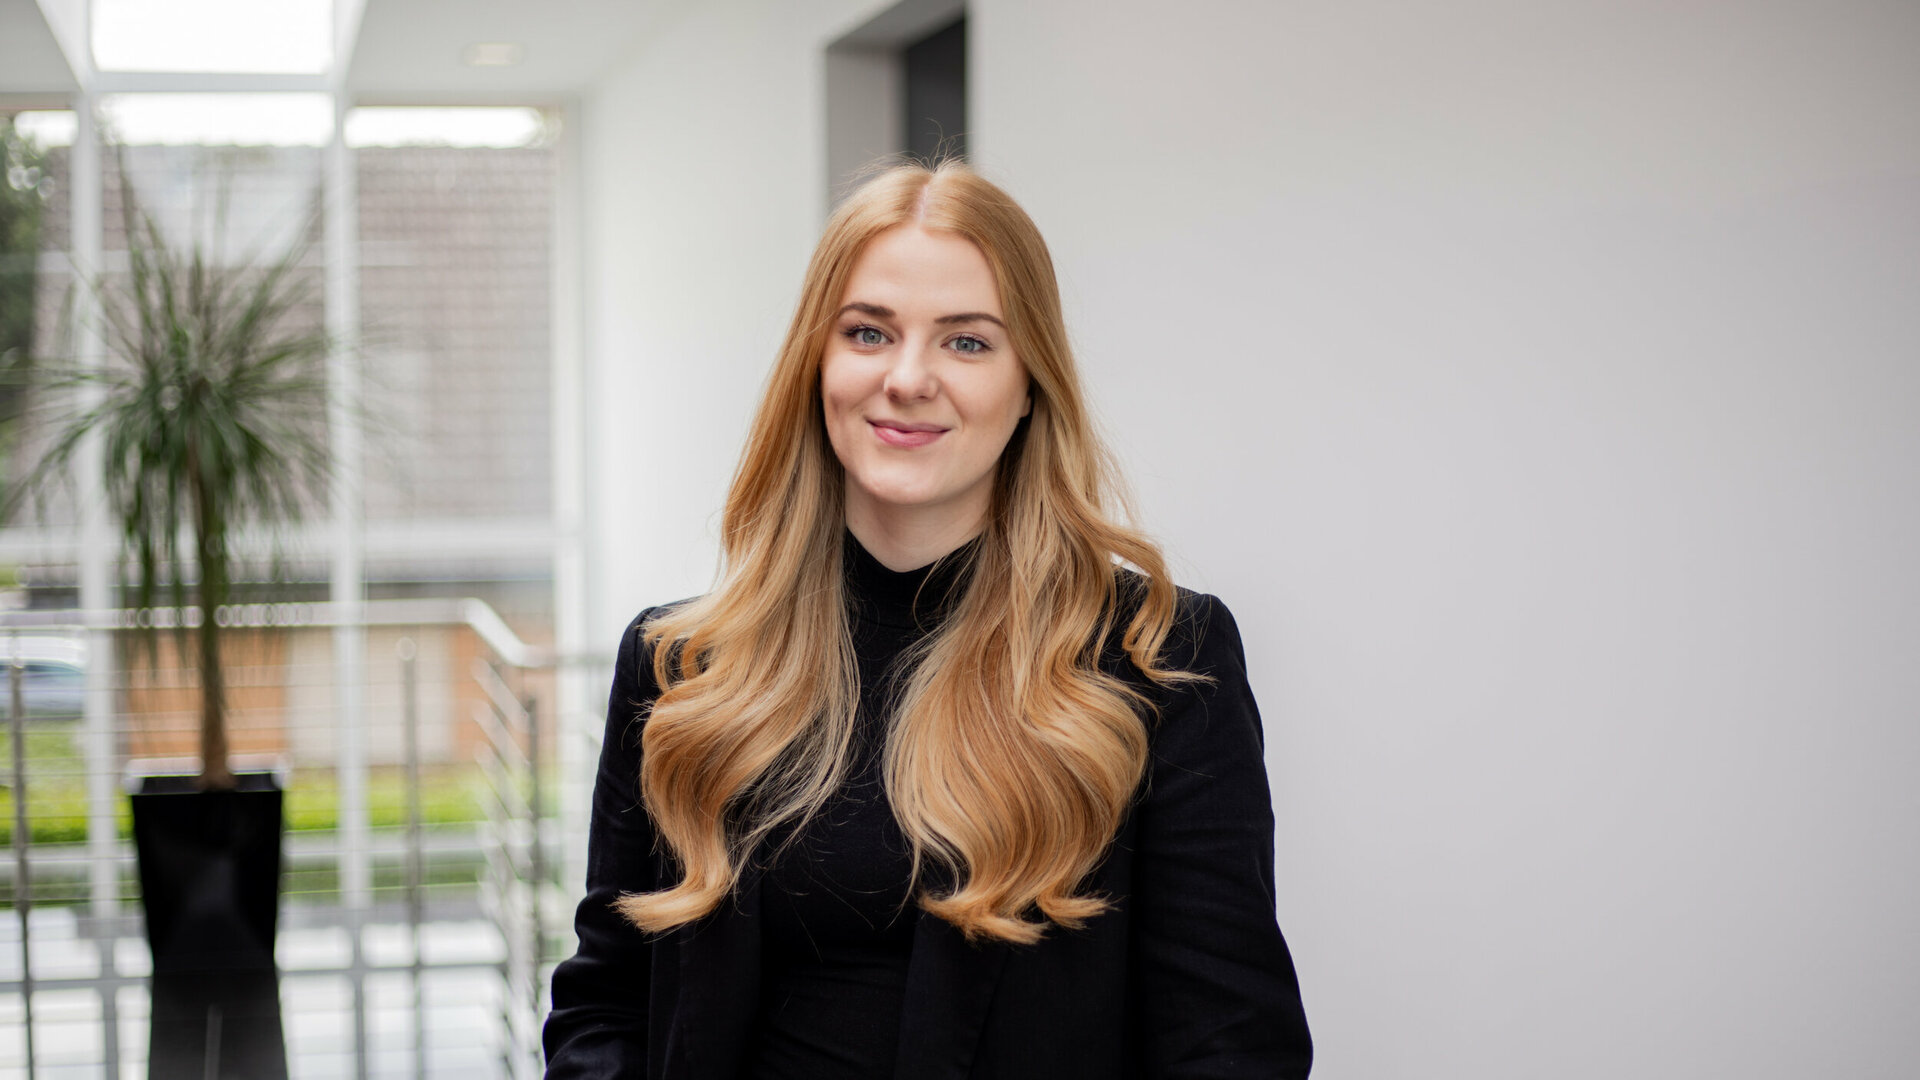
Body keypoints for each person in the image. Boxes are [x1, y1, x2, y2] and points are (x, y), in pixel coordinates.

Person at [543, 160, 1312, 1079]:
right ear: (816, 365)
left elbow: (1229, 1048)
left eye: (968, 342)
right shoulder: (681, 665)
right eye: (868, 332)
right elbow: (604, 1004)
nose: (908, 379)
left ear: (1031, 385)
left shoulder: (1158, 660)